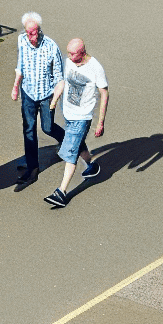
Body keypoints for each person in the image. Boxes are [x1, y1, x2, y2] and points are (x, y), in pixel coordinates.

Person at [44, 37, 108, 208]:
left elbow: (104, 93)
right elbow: (63, 82)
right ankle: (92, 166)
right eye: (68, 53)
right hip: (69, 114)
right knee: (77, 143)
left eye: (73, 54)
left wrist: (100, 122)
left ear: (82, 52)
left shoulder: (95, 67)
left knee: (70, 152)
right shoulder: (69, 62)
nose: (69, 56)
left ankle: (61, 192)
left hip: (82, 117)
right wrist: (54, 101)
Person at [10, 12, 64, 185]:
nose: (31, 36)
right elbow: (21, 65)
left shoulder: (51, 46)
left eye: (34, 32)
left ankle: (67, 141)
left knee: (47, 128)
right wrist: (16, 87)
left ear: (39, 30)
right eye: (28, 32)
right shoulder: (21, 41)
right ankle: (33, 168)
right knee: (29, 130)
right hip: (28, 93)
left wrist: (54, 100)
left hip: (47, 94)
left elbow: (59, 77)